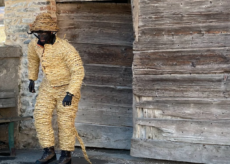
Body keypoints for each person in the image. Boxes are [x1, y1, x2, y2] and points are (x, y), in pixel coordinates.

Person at [27, 13, 91, 164]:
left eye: (44, 33)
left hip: (67, 88)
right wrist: (32, 79)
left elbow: (78, 70)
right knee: (40, 116)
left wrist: (71, 93)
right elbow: (33, 60)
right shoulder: (34, 45)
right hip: (48, 87)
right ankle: (48, 151)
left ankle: (66, 155)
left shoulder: (65, 48)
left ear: (51, 32)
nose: (41, 36)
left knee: (65, 122)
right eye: (38, 33)